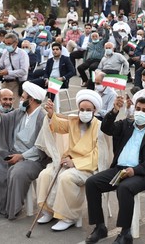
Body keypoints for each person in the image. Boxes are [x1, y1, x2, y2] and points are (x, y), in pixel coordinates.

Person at [85, 96, 145, 244]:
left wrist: (135, 170)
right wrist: (115, 110)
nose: (140, 112)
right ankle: (100, 227)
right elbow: (106, 128)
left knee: (124, 188)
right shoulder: (126, 124)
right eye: (138, 109)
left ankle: (125, 233)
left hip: (142, 174)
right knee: (91, 183)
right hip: (119, 169)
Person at [0, 82, 49, 220]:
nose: (20, 100)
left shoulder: (43, 117)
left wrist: (21, 156)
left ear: (31, 100)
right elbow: (3, 121)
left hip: (33, 159)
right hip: (12, 152)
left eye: (22, 97)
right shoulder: (20, 112)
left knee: (16, 173)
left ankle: (12, 208)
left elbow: (41, 147)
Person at [37, 90, 103, 231]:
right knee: (46, 174)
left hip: (87, 167)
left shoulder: (100, 127)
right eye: (82, 109)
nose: (84, 112)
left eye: (88, 110)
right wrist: (50, 114)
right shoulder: (73, 121)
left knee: (66, 178)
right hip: (69, 161)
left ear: (94, 110)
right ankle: (48, 210)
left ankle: (68, 217)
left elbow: (98, 154)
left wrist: (75, 163)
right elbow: (57, 126)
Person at [0, 33, 29, 108]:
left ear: (16, 43)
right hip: (5, 83)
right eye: (6, 44)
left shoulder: (22, 54)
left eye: (9, 44)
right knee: (2, 108)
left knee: (14, 108)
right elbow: (1, 64)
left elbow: (24, 71)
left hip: (16, 83)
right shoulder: (5, 52)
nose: (7, 46)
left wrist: (8, 72)